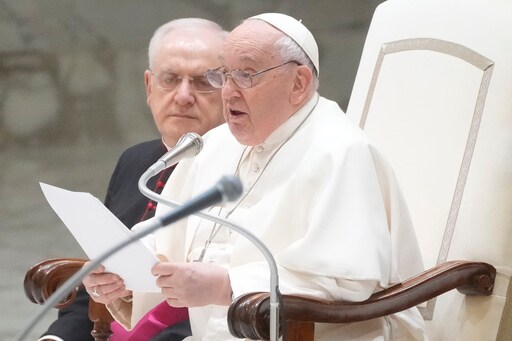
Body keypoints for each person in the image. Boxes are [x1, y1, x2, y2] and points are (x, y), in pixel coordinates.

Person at [85, 13, 427, 340]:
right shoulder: (216, 144)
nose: (228, 92)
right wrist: (123, 271)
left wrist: (226, 285)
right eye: (224, 75)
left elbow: (347, 282)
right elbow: (166, 237)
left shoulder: (340, 153)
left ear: (299, 83)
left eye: (246, 75)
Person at [39, 17, 226, 341]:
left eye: (203, 81)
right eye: (170, 79)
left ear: (230, 90)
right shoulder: (135, 161)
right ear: (149, 87)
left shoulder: (237, 174)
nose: (183, 96)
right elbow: (102, 274)